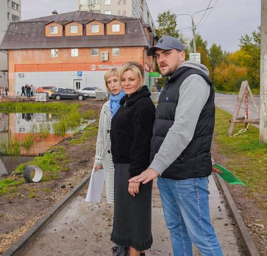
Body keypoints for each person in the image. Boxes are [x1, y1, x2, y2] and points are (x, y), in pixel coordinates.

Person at [129, 36, 223, 256]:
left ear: (182, 55)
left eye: (167, 54)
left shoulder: (193, 80)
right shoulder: (172, 82)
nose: (161, 60)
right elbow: (164, 129)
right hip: (169, 174)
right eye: (158, 56)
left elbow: (182, 128)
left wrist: (155, 167)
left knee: (201, 235)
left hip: (188, 176)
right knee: (177, 231)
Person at [110, 62, 155, 256]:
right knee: (126, 217)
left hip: (133, 169)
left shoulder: (143, 105)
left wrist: (135, 177)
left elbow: (141, 144)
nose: (126, 83)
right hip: (123, 167)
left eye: (131, 79)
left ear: (141, 80)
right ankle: (128, 251)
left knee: (136, 219)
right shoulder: (128, 101)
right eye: (123, 80)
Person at [93, 68, 126, 254]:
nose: (113, 85)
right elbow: (100, 136)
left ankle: (126, 242)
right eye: (109, 82)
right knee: (116, 203)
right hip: (109, 160)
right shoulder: (106, 107)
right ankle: (120, 242)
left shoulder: (128, 103)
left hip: (125, 161)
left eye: (116, 80)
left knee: (125, 202)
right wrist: (98, 159)